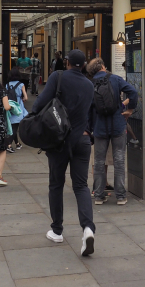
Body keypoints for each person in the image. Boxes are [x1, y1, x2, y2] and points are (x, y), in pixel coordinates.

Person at [32, 49, 96, 256]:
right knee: (81, 186)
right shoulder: (89, 84)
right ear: (84, 65)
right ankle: (87, 229)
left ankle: (57, 230)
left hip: (59, 141)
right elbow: (91, 112)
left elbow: (40, 103)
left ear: (66, 62)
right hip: (83, 139)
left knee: (56, 184)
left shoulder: (57, 77)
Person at [87, 58, 138, 206]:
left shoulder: (90, 84)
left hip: (99, 126)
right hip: (117, 123)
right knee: (119, 159)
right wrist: (129, 110)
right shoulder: (115, 79)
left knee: (98, 161)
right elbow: (133, 92)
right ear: (103, 66)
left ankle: (98, 195)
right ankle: (121, 196)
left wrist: (90, 128)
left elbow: (89, 108)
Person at [5, 66, 28, 153]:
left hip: (10, 105)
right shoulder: (21, 85)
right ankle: (9, 144)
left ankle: (17, 143)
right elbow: (26, 97)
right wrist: (22, 99)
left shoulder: (7, 85)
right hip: (18, 106)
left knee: (12, 124)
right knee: (15, 126)